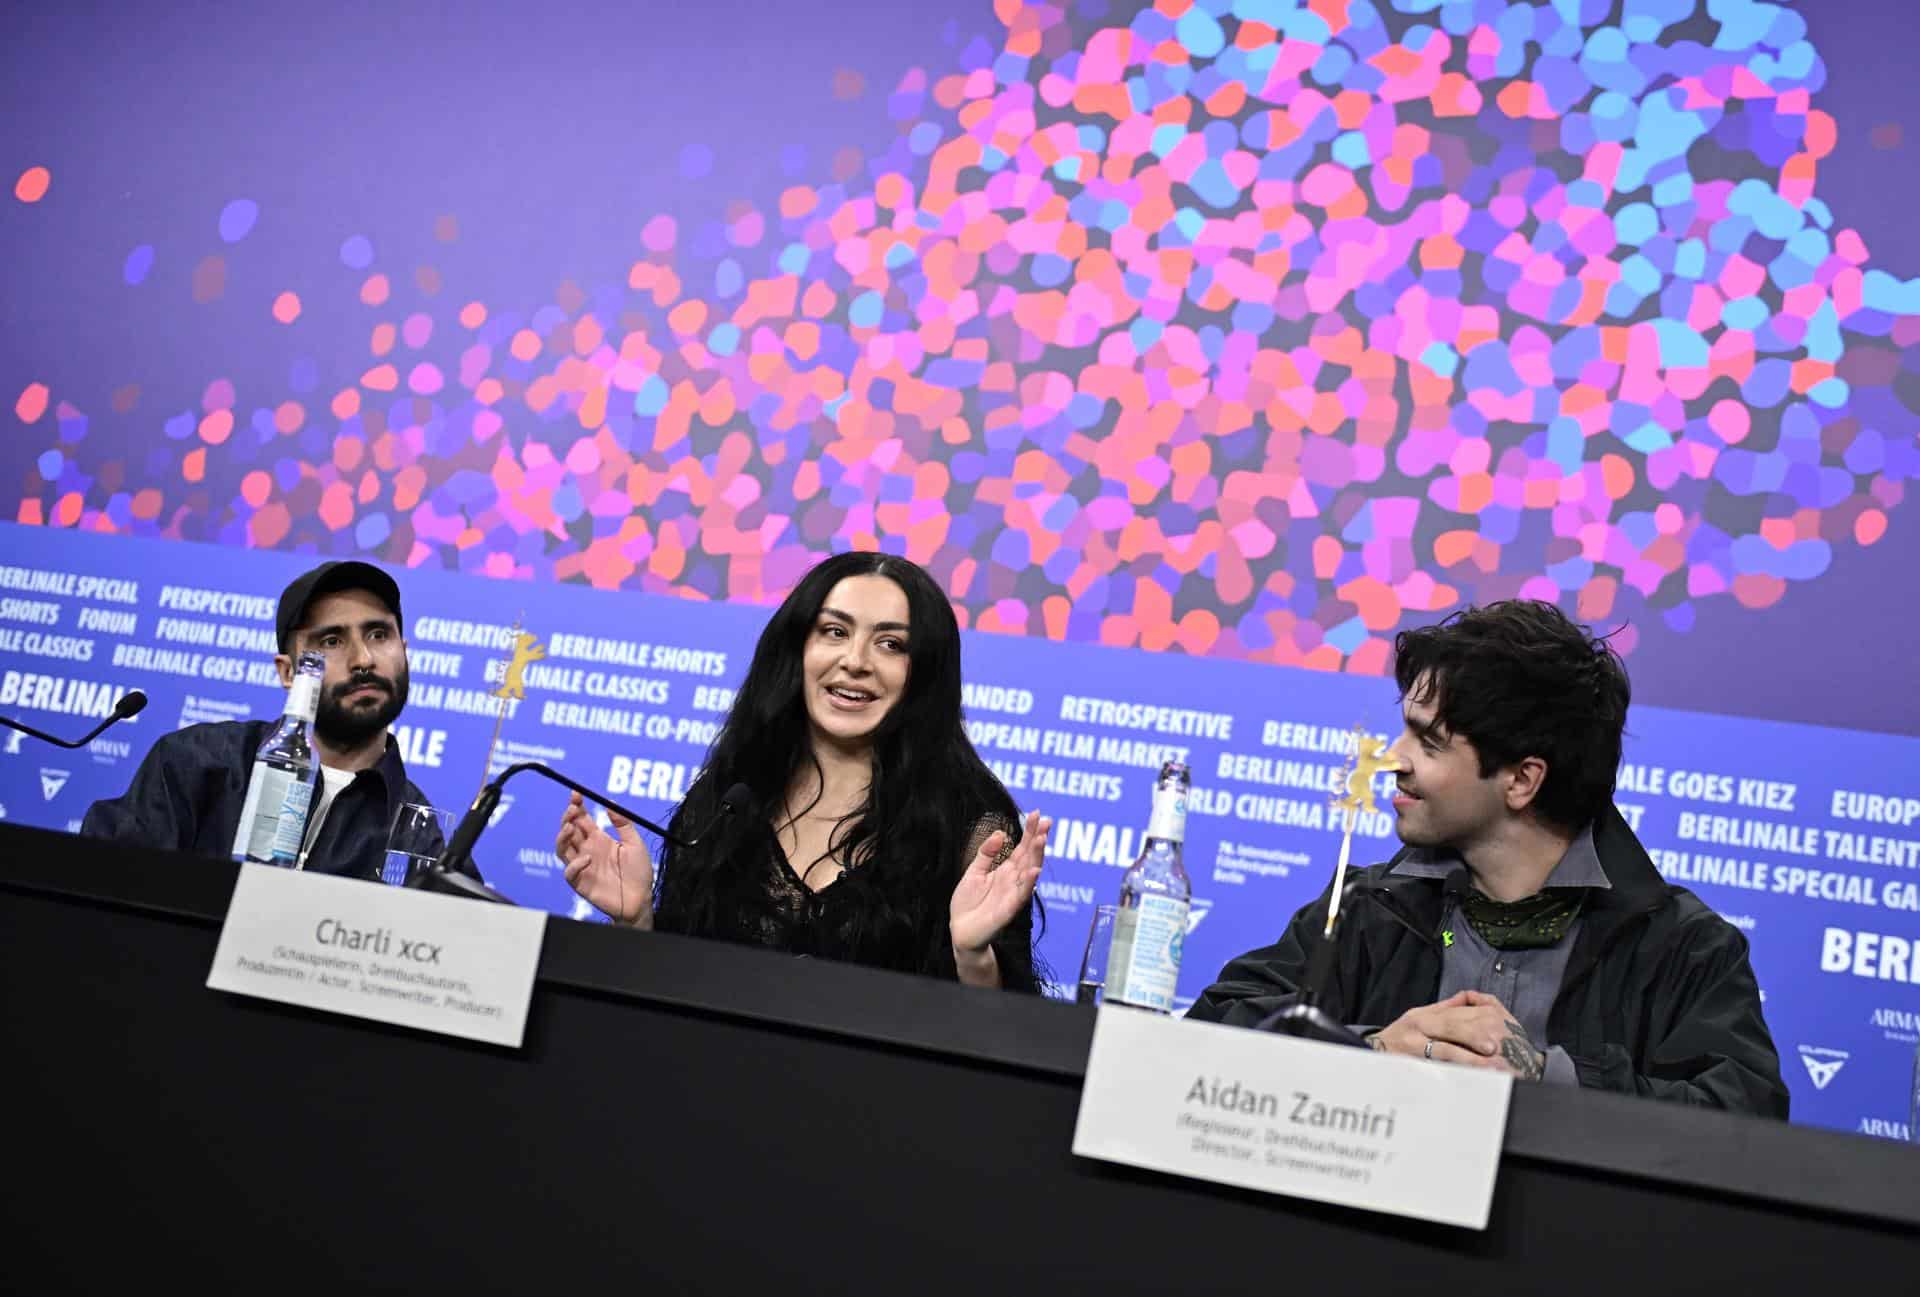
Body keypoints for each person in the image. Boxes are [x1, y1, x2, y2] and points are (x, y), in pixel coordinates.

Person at [1187, 600, 1789, 1117]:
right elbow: (1205, 1037)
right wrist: (1370, 1052)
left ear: (1522, 780)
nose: (1393, 758)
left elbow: (1745, 1127)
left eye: (1429, 741)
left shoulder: (1685, 948)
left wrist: (1543, 1079)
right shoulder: (1367, 908)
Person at [556, 551, 1050, 991]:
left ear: (924, 673)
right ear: (797, 650)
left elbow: (1002, 1037)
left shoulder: (972, 827)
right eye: (834, 632)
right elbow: (672, 995)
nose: (854, 662)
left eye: (891, 645)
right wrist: (638, 920)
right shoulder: (730, 798)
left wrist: (971, 956)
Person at [82, 560, 476, 885]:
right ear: (288, 673)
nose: (363, 659)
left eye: (378, 634)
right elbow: (102, 885)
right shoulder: (197, 762)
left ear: (404, 652)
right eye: (332, 641)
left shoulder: (417, 835)